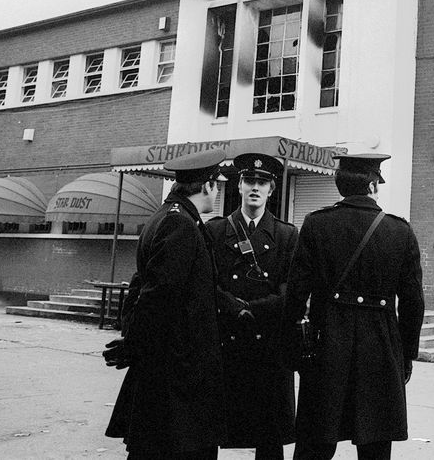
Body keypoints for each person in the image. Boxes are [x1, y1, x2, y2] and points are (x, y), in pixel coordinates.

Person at [285, 153, 425, 460]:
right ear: (373, 185)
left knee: (314, 443)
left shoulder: (316, 225)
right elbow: (413, 303)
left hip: (326, 349)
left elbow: (295, 294)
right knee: (375, 444)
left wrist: (295, 348)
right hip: (381, 349)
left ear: (339, 185)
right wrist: (405, 355)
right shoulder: (399, 231)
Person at [104, 148, 226, 459]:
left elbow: (139, 287)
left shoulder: (163, 217)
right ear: (208, 185)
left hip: (167, 365)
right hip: (178, 370)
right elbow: (160, 294)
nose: (218, 190)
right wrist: (135, 342)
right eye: (217, 184)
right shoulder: (181, 224)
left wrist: (133, 337)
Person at [206, 153, 299, 460]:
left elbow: (291, 289)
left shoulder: (286, 235)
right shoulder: (217, 230)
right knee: (213, 429)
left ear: (272, 190)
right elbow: (207, 282)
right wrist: (232, 305)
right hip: (226, 339)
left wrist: (254, 308)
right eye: (250, 181)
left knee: (268, 435)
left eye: (263, 183)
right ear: (240, 185)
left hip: (268, 344)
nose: (255, 188)